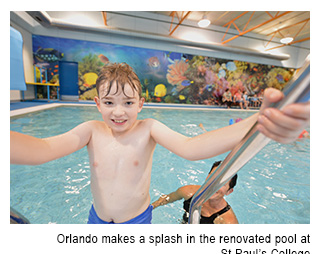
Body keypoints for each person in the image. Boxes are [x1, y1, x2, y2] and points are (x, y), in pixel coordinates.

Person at [10, 62, 310, 225]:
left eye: (128, 102)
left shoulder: (149, 129)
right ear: (97, 103)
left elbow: (193, 148)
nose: (118, 111)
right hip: (97, 219)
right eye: (110, 102)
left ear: (141, 103)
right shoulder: (91, 130)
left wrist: (256, 122)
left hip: (136, 221)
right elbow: (43, 150)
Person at [152, 161, 239, 224]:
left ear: (229, 191)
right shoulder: (188, 192)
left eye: (222, 183)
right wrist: (150, 208)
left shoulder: (227, 222)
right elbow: (166, 199)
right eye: (212, 176)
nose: (214, 185)